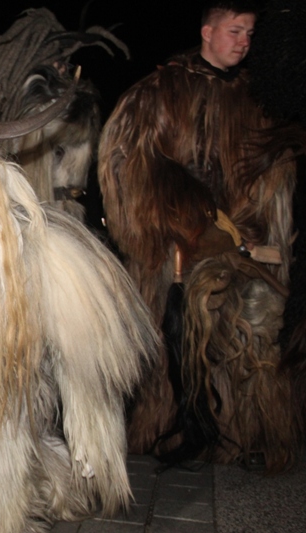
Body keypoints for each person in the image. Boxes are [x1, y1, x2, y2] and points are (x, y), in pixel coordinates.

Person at [98, 1, 302, 472]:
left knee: (246, 343)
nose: (244, 43)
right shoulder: (159, 92)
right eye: (235, 31)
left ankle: (242, 437)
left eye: (249, 34)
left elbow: (274, 173)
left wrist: (250, 227)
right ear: (208, 31)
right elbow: (124, 160)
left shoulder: (257, 99)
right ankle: (163, 427)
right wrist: (181, 214)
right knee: (173, 341)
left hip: (242, 248)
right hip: (174, 251)